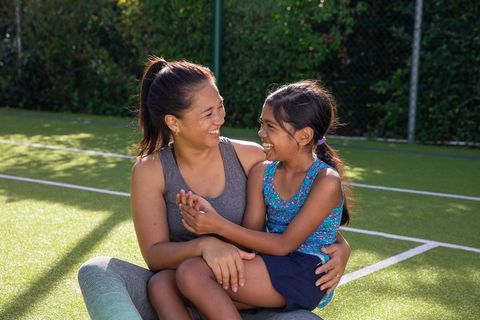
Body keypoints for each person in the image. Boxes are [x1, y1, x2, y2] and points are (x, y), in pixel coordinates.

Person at [78, 57, 351, 320]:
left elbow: (305, 226)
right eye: (208, 113)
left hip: (257, 279)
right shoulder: (151, 170)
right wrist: (205, 244)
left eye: (219, 106)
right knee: (150, 282)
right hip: (212, 282)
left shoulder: (253, 158)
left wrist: (342, 246)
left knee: (190, 275)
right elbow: (155, 256)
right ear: (174, 122)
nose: (219, 118)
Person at [170, 80, 350, 319]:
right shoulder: (262, 173)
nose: (260, 133)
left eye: (270, 127)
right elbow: (248, 237)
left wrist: (217, 224)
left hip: (306, 271)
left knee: (191, 273)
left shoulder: (325, 180)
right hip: (270, 263)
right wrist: (206, 217)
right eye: (261, 124)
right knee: (166, 284)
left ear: (304, 136)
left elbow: (285, 244)